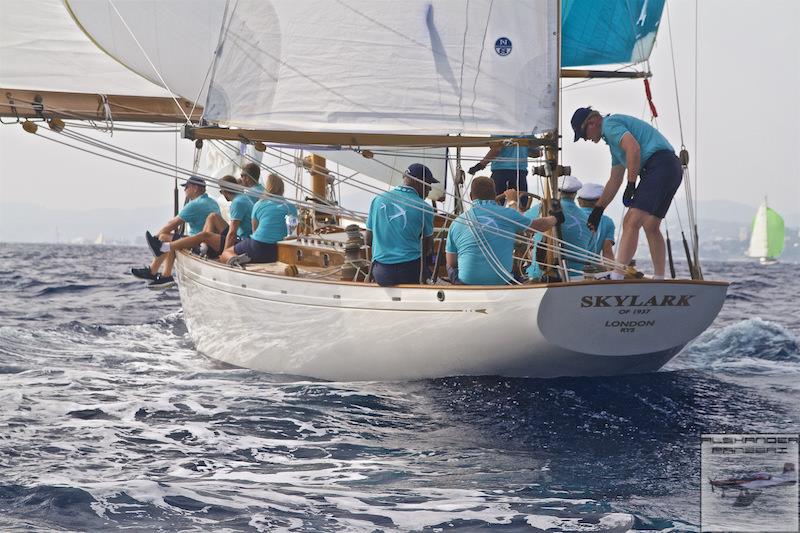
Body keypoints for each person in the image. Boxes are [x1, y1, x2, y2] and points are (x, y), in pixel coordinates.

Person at [571, 106, 682, 280]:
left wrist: (631, 184)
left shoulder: (609, 125)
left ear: (592, 123)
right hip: (671, 167)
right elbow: (615, 180)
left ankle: (617, 275)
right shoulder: (614, 145)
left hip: (658, 166)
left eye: (584, 135)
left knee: (631, 221)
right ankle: (660, 277)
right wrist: (598, 210)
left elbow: (633, 148)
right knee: (651, 226)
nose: (586, 139)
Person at [446, 176, 560, 285]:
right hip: (501, 280)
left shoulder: (456, 222)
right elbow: (538, 226)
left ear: (471, 197)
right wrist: (555, 218)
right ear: (494, 195)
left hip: (468, 282)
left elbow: (452, 262)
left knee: (449, 266)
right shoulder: (508, 214)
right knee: (515, 271)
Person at [131, 175, 220, 288]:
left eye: (187, 187)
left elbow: (171, 225)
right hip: (211, 244)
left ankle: (157, 273)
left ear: (195, 188)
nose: (184, 190)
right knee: (171, 239)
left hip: (200, 244)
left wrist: (155, 238)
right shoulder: (212, 202)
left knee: (164, 237)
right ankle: (160, 274)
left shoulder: (195, 205)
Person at [145, 175, 253, 260]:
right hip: (243, 239)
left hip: (242, 242)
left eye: (221, 191)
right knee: (213, 217)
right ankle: (204, 247)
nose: (222, 194)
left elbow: (232, 233)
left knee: (203, 235)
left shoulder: (237, 203)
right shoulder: (243, 198)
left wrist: (225, 255)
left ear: (225, 190)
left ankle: (164, 248)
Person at [365, 163, 437, 286]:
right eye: (428, 184)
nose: (429, 189)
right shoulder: (425, 208)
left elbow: (368, 240)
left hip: (382, 274)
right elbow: (427, 247)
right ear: (419, 182)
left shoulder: (377, 200)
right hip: (410, 273)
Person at [516, 175, 591, 281]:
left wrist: (512, 203)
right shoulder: (586, 218)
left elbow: (517, 223)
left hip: (541, 276)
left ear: (555, 190)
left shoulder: (541, 209)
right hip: (576, 277)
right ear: (575, 194)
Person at [220, 173, 296, 264]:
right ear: (282, 188)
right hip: (278, 250)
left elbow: (254, 230)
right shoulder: (291, 207)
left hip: (258, 246)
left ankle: (236, 260)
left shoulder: (259, 204)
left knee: (226, 253)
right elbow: (292, 230)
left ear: (267, 187)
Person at [467, 139, 533, 208]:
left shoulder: (499, 130)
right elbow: (537, 153)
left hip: (500, 172)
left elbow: (496, 150)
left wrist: (480, 165)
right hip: (520, 172)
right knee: (522, 206)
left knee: (493, 204)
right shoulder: (528, 132)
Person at [577, 182, 616, 265]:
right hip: (591, 271)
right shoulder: (608, 222)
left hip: (567, 268)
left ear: (579, 201)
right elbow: (607, 253)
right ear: (601, 201)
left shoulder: (572, 216)